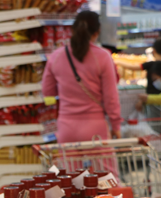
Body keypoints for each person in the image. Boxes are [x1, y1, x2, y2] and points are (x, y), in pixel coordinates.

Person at [42, 11, 122, 142]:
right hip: (95, 127)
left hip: (66, 126)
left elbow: (47, 92)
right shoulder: (103, 57)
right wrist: (116, 125)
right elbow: (111, 97)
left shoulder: (56, 56)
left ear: (72, 30)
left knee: (68, 163)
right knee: (103, 163)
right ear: (97, 32)